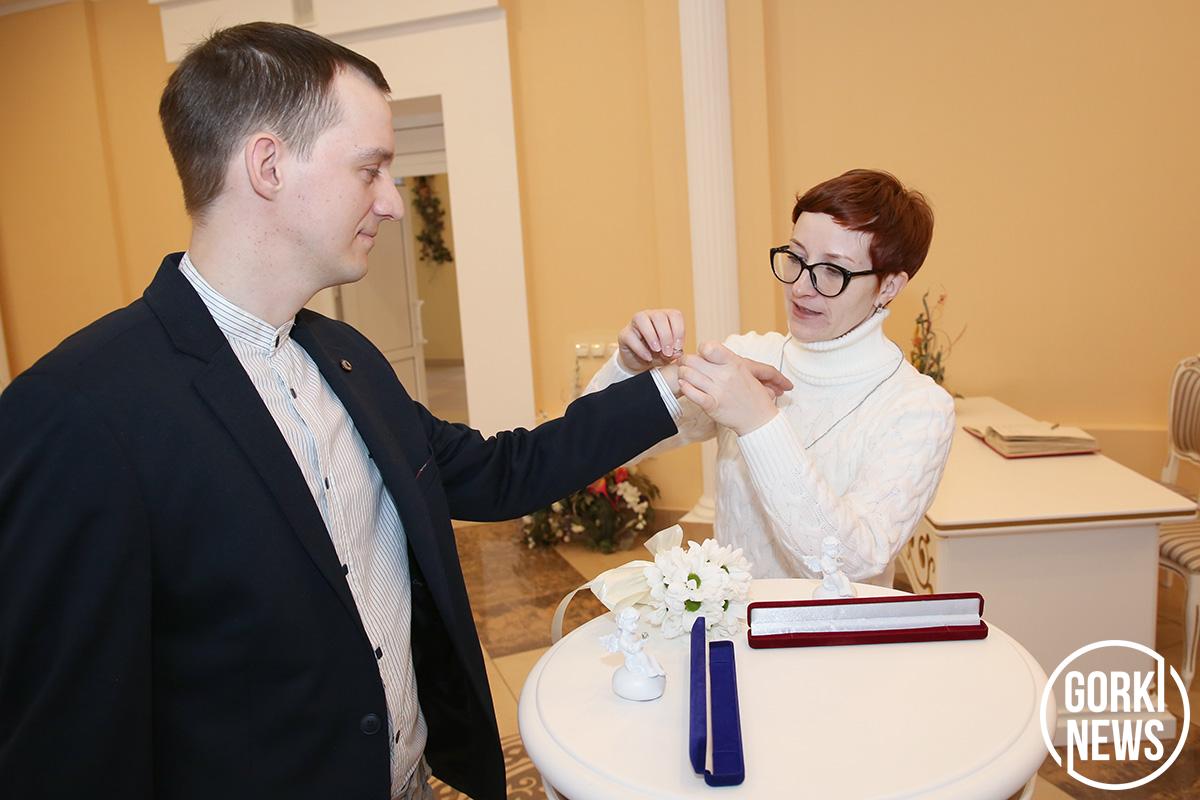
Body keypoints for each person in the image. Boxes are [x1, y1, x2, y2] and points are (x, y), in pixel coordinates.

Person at [0, 22, 794, 800]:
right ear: (268, 165)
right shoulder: (78, 414)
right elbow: (68, 744)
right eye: (370, 169)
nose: (392, 203)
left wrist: (675, 389)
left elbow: (499, 472)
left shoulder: (343, 355)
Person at [588, 169, 955, 587]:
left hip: (838, 629)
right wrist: (630, 369)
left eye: (832, 271)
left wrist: (759, 422)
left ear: (889, 286)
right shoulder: (748, 357)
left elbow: (850, 565)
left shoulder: (919, 407)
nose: (801, 287)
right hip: (735, 622)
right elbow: (605, 449)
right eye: (795, 258)